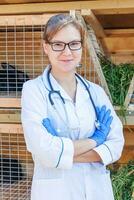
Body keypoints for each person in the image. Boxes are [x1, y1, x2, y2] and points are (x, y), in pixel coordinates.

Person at [21, 14, 124, 200]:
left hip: (96, 191)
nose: (67, 52)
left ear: (81, 47)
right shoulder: (34, 91)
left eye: (74, 44)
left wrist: (59, 153)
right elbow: (41, 148)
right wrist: (96, 140)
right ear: (46, 47)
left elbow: (116, 146)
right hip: (56, 193)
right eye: (58, 44)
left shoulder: (96, 92)